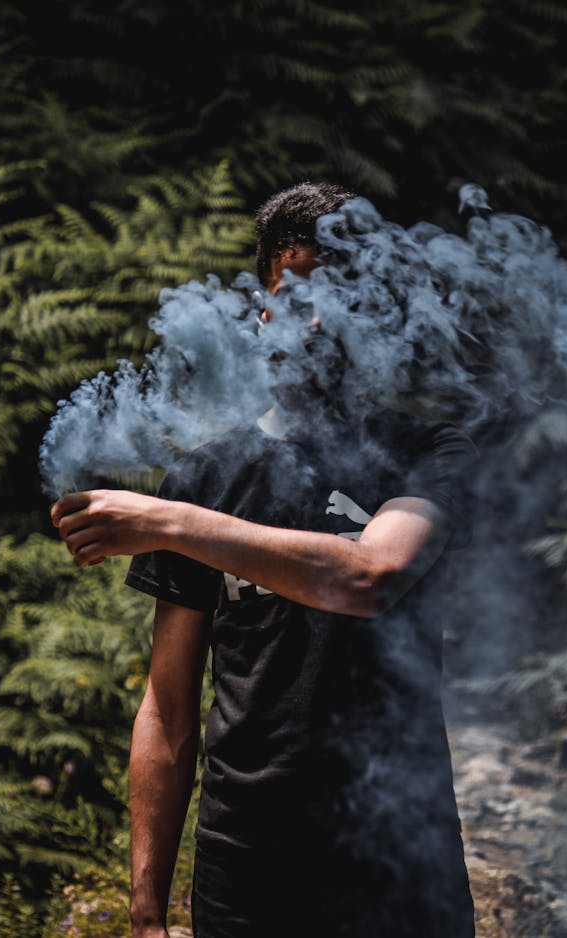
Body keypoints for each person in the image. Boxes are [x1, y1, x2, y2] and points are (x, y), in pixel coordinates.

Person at [51, 182, 478, 938]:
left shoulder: (428, 453)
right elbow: (169, 710)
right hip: (245, 865)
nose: (311, 321)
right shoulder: (210, 478)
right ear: (261, 311)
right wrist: (147, 907)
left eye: (338, 297)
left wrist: (169, 521)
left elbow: (371, 577)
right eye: (292, 294)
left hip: (399, 863)